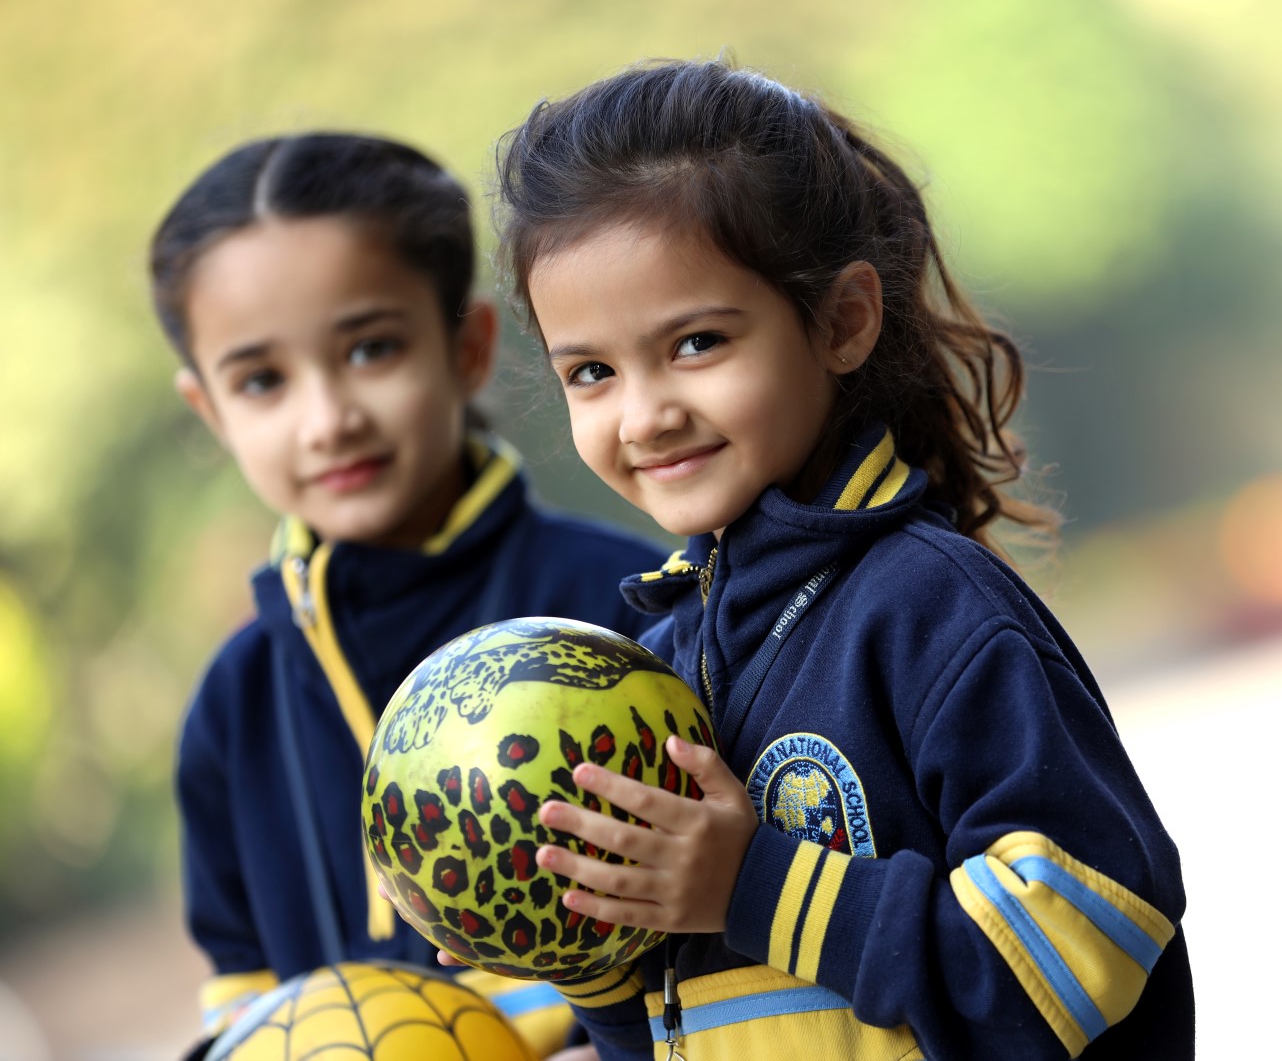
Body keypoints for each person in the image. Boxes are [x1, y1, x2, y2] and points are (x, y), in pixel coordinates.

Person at [486, 60, 1195, 1059]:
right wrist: (592, 947)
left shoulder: (928, 606)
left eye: (695, 343)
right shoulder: (660, 659)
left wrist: (753, 884)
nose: (643, 416)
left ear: (843, 321)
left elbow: (1086, 942)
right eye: (592, 371)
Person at [149, 132, 668, 1057]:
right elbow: (243, 998)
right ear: (210, 410)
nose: (329, 420)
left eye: (371, 349)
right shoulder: (233, 707)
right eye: (262, 381)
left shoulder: (628, 607)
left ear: (468, 348)